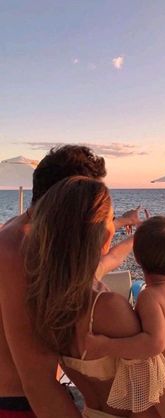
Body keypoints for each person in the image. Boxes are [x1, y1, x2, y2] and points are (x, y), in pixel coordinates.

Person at [24, 176, 165, 418]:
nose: (115, 224)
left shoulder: (48, 296)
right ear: (101, 232)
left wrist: (137, 237)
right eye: (112, 219)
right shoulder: (109, 308)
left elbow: (110, 259)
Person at [0, 145, 140, 417]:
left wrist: (133, 238)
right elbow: (36, 380)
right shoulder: (17, 247)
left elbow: (103, 263)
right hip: (19, 405)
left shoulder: (39, 239)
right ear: (66, 195)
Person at [86, 216, 165, 418]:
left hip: (156, 389)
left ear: (138, 259)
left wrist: (105, 345)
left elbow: (153, 343)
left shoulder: (150, 296)